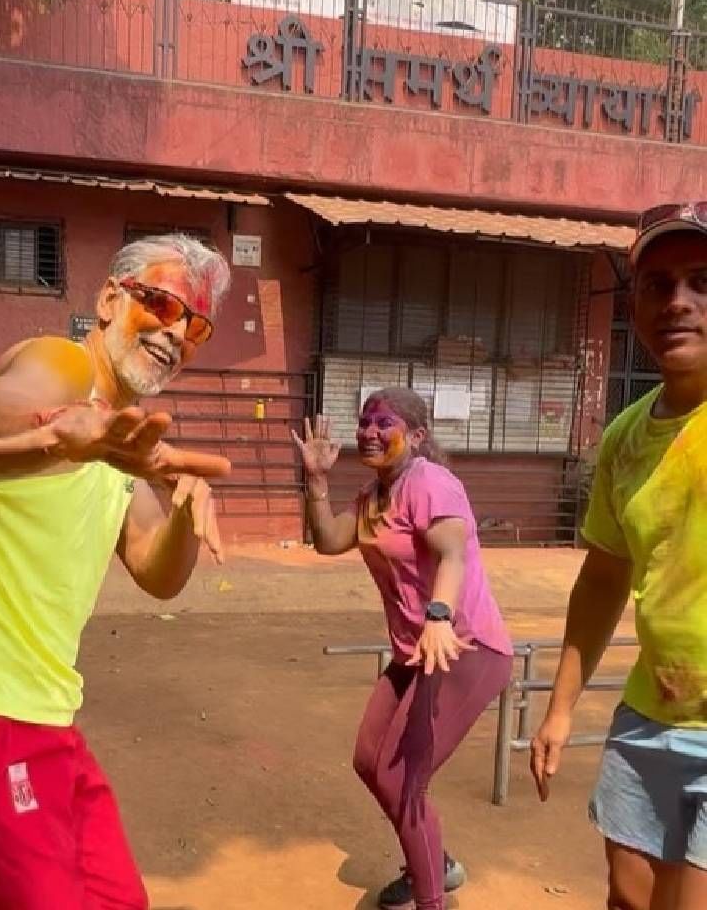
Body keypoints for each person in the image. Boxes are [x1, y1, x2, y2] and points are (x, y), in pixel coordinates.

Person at [0, 234, 233, 910]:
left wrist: (183, 510)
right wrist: (52, 435)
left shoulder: (115, 440)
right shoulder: (61, 366)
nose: (173, 332)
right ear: (109, 299)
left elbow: (156, 574)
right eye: (158, 303)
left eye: (194, 326)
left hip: (46, 720)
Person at [531, 202, 707, 910]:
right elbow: (604, 577)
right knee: (628, 902)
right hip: (647, 716)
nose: (678, 303)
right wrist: (561, 708)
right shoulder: (626, 437)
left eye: (702, 282)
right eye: (657, 285)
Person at [293, 391, 513, 910]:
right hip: (415, 653)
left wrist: (438, 617)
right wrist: (317, 482)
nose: (369, 431)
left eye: (383, 423)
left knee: (404, 779)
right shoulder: (375, 493)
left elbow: (452, 556)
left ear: (416, 436)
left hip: (464, 647)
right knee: (370, 761)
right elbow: (328, 539)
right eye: (364, 422)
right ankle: (436, 864)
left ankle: (429, 895)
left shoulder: (432, 484)